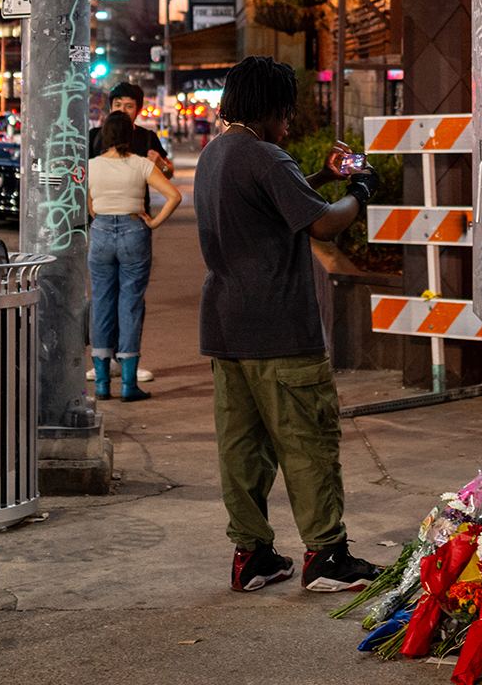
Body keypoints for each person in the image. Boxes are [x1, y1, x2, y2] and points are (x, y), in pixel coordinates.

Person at [193, 55, 386, 594]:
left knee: (242, 450)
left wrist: (323, 174)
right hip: (280, 328)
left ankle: (252, 556)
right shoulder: (264, 156)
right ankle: (327, 555)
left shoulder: (215, 155)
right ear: (270, 108)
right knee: (307, 442)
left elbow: (272, 198)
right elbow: (322, 224)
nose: (290, 123)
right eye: (286, 112)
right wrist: (361, 190)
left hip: (228, 330)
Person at [88, 109, 182, 403]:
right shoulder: (140, 164)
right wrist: (152, 222)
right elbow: (174, 196)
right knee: (130, 305)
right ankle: (128, 385)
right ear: (130, 135)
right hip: (133, 231)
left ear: (105, 136)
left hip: (101, 231)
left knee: (102, 304)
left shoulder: (91, 166)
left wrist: (101, 218)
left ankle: (102, 384)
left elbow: (89, 204)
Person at [89, 81, 173, 176]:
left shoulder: (148, 138)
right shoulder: (94, 136)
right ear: (111, 109)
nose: (122, 110)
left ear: (138, 110)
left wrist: (162, 166)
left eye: (129, 106)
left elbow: (169, 172)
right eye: (118, 105)